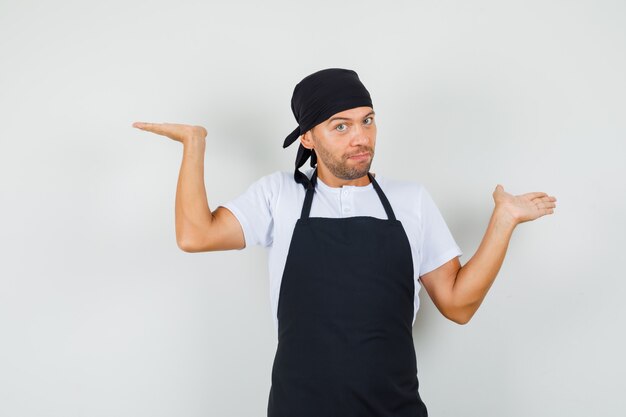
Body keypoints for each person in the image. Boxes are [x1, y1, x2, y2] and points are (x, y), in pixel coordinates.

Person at [132, 68, 557, 417]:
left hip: (395, 410)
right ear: (308, 138)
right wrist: (194, 145)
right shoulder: (279, 195)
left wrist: (503, 222)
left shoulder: (411, 201)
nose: (361, 138)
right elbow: (195, 235)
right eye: (341, 126)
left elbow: (458, 305)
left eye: (367, 120)